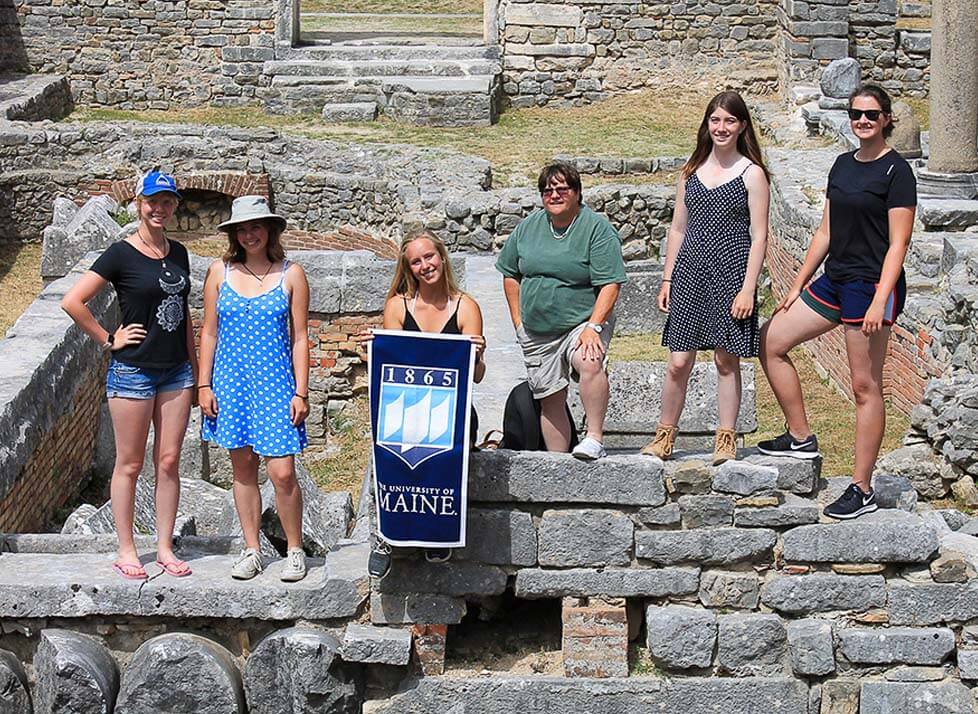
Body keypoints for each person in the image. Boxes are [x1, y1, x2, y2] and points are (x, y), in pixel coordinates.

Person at [758, 84, 916, 520]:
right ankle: (800, 436)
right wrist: (797, 283)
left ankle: (861, 487)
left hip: (871, 287)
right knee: (771, 340)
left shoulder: (897, 172)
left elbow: (899, 244)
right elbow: (825, 231)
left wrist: (880, 300)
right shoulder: (843, 164)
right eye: (856, 113)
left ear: (886, 119)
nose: (862, 120)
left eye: (871, 114)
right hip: (835, 279)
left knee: (865, 387)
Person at [61, 171, 196, 580]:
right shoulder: (121, 253)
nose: (160, 209)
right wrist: (108, 338)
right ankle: (126, 549)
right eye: (153, 201)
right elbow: (73, 300)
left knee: (169, 461)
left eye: (168, 202)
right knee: (130, 463)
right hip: (134, 371)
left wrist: (195, 368)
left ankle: (165, 547)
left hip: (176, 372)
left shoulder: (179, 254)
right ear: (139, 204)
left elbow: (186, 315)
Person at [642, 91, 770, 466]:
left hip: (731, 274)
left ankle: (726, 439)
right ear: (707, 124)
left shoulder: (752, 174)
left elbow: (760, 235)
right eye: (715, 120)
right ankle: (664, 436)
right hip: (690, 272)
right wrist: (667, 279)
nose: (721, 127)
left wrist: (749, 288)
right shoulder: (690, 171)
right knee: (678, 362)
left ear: (742, 125)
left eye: (729, 121)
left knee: (725, 361)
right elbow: (678, 229)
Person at [361, 231, 486, 577]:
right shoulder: (397, 306)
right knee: (385, 449)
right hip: (405, 408)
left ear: (442, 257)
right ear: (408, 268)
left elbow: (476, 377)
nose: (425, 265)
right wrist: (373, 350)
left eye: (429, 257)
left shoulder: (467, 307)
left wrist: (477, 355)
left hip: (453, 411)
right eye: (416, 261)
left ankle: (438, 532)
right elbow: (390, 369)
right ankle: (384, 537)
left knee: (443, 449)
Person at [198, 195, 311, 581]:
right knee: (243, 469)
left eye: (256, 227)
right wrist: (204, 383)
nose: (250, 235)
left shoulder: (291, 274)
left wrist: (301, 391)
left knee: (282, 473)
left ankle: (294, 549)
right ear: (233, 234)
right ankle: (252, 548)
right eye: (242, 229)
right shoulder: (220, 272)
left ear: (270, 230)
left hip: (276, 385)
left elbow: (300, 337)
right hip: (232, 384)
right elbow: (209, 331)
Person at [495, 162, 627, 461]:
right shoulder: (528, 228)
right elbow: (509, 273)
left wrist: (594, 327)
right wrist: (518, 322)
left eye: (562, 189)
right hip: (537, 329)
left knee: (589, 359)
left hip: (583, 321)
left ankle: (594, 437)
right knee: (550, 395)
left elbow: (610, 284)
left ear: (577, 193)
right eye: (547, 190)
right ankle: (558, 460)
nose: (554, 195)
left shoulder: (596, 229)